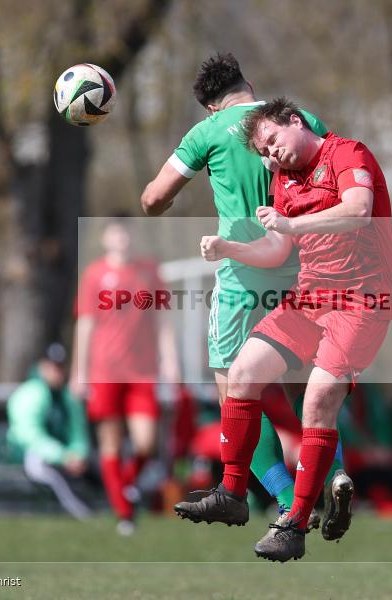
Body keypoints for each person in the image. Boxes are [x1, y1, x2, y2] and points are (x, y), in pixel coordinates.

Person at [174, 97, 392, 562]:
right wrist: (228, 248)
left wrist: (292, 223)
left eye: (273, 142)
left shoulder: (348, 154)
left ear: (295, 121)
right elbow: (278, 249)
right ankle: (233, 494)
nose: (272, 156)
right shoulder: (284, 179)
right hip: (310, 299)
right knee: (242, 373)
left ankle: (293, 523)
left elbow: (358, 210)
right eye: (265, 152)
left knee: (316, 400)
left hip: (361, 305)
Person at [140, 53, 351, 534]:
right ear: (249, 86)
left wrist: (166, 200)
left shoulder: (206, 134)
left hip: (242, 282)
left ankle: (284, 499)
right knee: (311, 396)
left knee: (236, 394)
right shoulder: (296, 121)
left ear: (209, 108)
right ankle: (335, 476)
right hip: (303, 277)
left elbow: (152, 199)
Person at [71, 216, 179, 536]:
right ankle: (124, 512)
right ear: (106, 238)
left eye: (126, 232)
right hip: (105, 371)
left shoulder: (149, 271)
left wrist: (171, 362)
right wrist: (80, 371)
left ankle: (127, 485)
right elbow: (85, 325)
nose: (122, 239)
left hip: (143, 372)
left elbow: (163, 321)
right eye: (116, 233)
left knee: (146, 441)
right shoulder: (94, 275)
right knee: (110, 443)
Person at [7, 343, 94, 520]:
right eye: (53, 366)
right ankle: (80, 513)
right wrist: (63, 456)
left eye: (60, 366)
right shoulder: (31, 394)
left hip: (63, 457)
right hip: (27, 455)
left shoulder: (68, 396)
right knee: (42, 466)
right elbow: (30, 437)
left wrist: (77, 455)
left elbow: (78, 434)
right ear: (42, 366)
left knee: (97, 464)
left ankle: (109, 509)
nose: (57, 371)